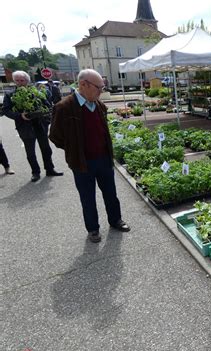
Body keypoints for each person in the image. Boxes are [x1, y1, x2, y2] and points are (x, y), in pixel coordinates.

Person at [49, 69, 130, 243]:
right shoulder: (64, 107)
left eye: (102, 87)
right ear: (83, 84)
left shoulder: (99, 105)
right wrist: (74, 149)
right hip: (82, 162)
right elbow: (55, 136)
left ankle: (115, 220)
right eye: (98, 87)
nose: (101, 91)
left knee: (110, 193)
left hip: (103, 158)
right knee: (88, 197)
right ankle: (93, 229)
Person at [2, 70, 63, 182]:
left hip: (40, 124)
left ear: (27, 81)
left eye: (22, 80)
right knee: (30, 152)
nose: (20, 83)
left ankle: (50, 169)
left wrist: (46, 116)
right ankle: (35, 172)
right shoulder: (10, 95)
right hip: (24, 126)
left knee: (46, 148)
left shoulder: (36, 92)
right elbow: (6, 110)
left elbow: (46, 104)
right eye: (17, 80)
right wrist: (20, 116)